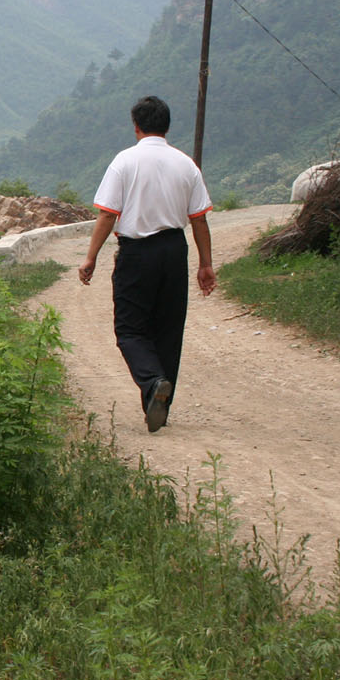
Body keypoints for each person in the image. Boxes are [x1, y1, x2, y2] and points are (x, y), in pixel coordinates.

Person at [76, 96, 215, 432]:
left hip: (137, 253)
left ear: (135, 125)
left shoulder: (125, 162)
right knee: (168, 328)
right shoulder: (186, 165)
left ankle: (153, 384)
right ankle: (158, 401)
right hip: (174, 250)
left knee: (130, 329)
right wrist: (205, 265)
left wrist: (91, 257)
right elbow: (198, 220)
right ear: (166, 126)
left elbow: (108, 213)